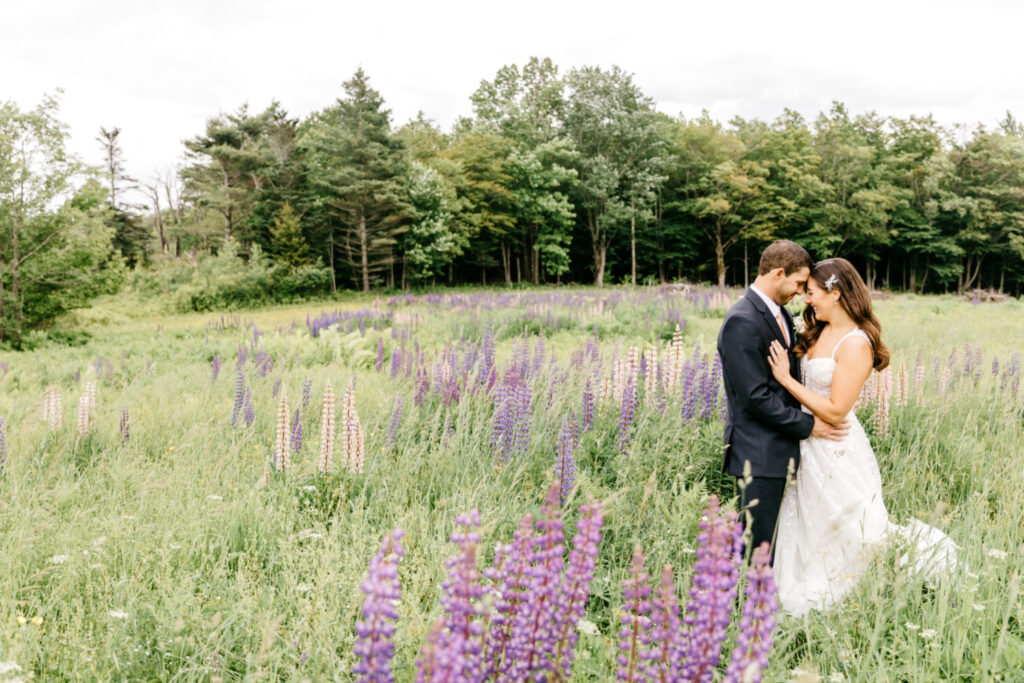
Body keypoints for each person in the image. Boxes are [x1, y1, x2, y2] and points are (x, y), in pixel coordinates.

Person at [768, 257, 958, 616]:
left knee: (850, 521)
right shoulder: (818, 331)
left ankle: (874, 584)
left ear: (835, 293)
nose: (806, 300)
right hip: (806, 438)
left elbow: (838, 409)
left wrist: (786, 380)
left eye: (811, 293)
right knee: (809, 517)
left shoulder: (857, 344)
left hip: (835, 443)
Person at [717, 240, 849, 562]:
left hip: (781, 451)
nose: (802, 293)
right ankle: (745, 608)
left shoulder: (779, 315)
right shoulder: (742, 320)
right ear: (779, 273)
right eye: (799, 283)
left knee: (773, 547)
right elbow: (754, 398)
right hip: (758, 454)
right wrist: (809, 426)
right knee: (756, 552)